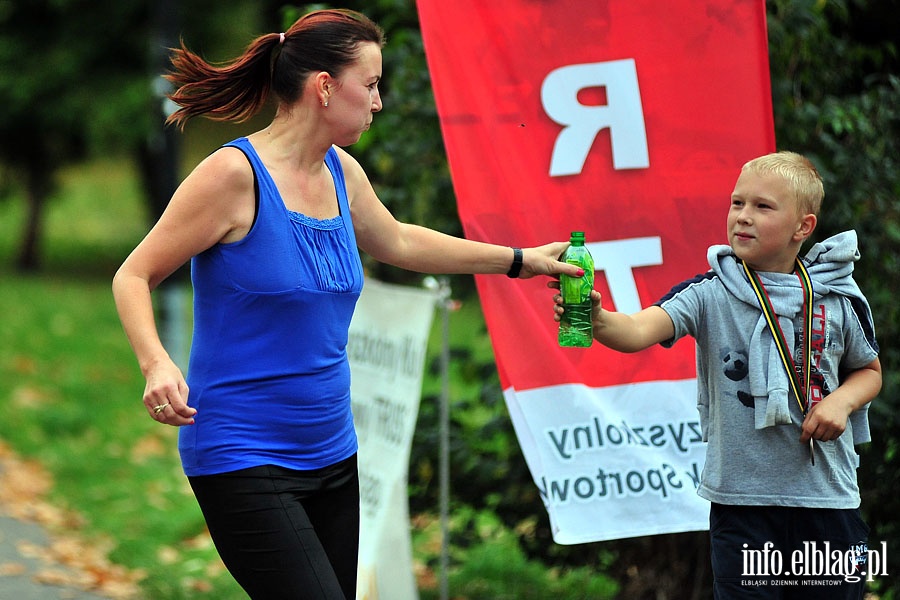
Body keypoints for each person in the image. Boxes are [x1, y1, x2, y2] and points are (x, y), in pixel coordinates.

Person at [112, 8, 584, 600]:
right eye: (372, 84)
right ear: (326, 87)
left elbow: (402, 241)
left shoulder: (340, 171)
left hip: (333, 452)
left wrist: (520, 259)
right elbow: (133, 274)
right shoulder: (232, 177)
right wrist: (156, 362)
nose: (379, 102)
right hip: (242, 454)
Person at [551, 151, 881, 599]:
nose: (743, 217)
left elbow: (869, 371)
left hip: (827, 502)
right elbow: (634, 331)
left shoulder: (835, 297)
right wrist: (596, 316)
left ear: (803, 227)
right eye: (737, 203)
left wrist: (841, 402)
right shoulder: (707, 293)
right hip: (741, 507)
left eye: (763, 207)